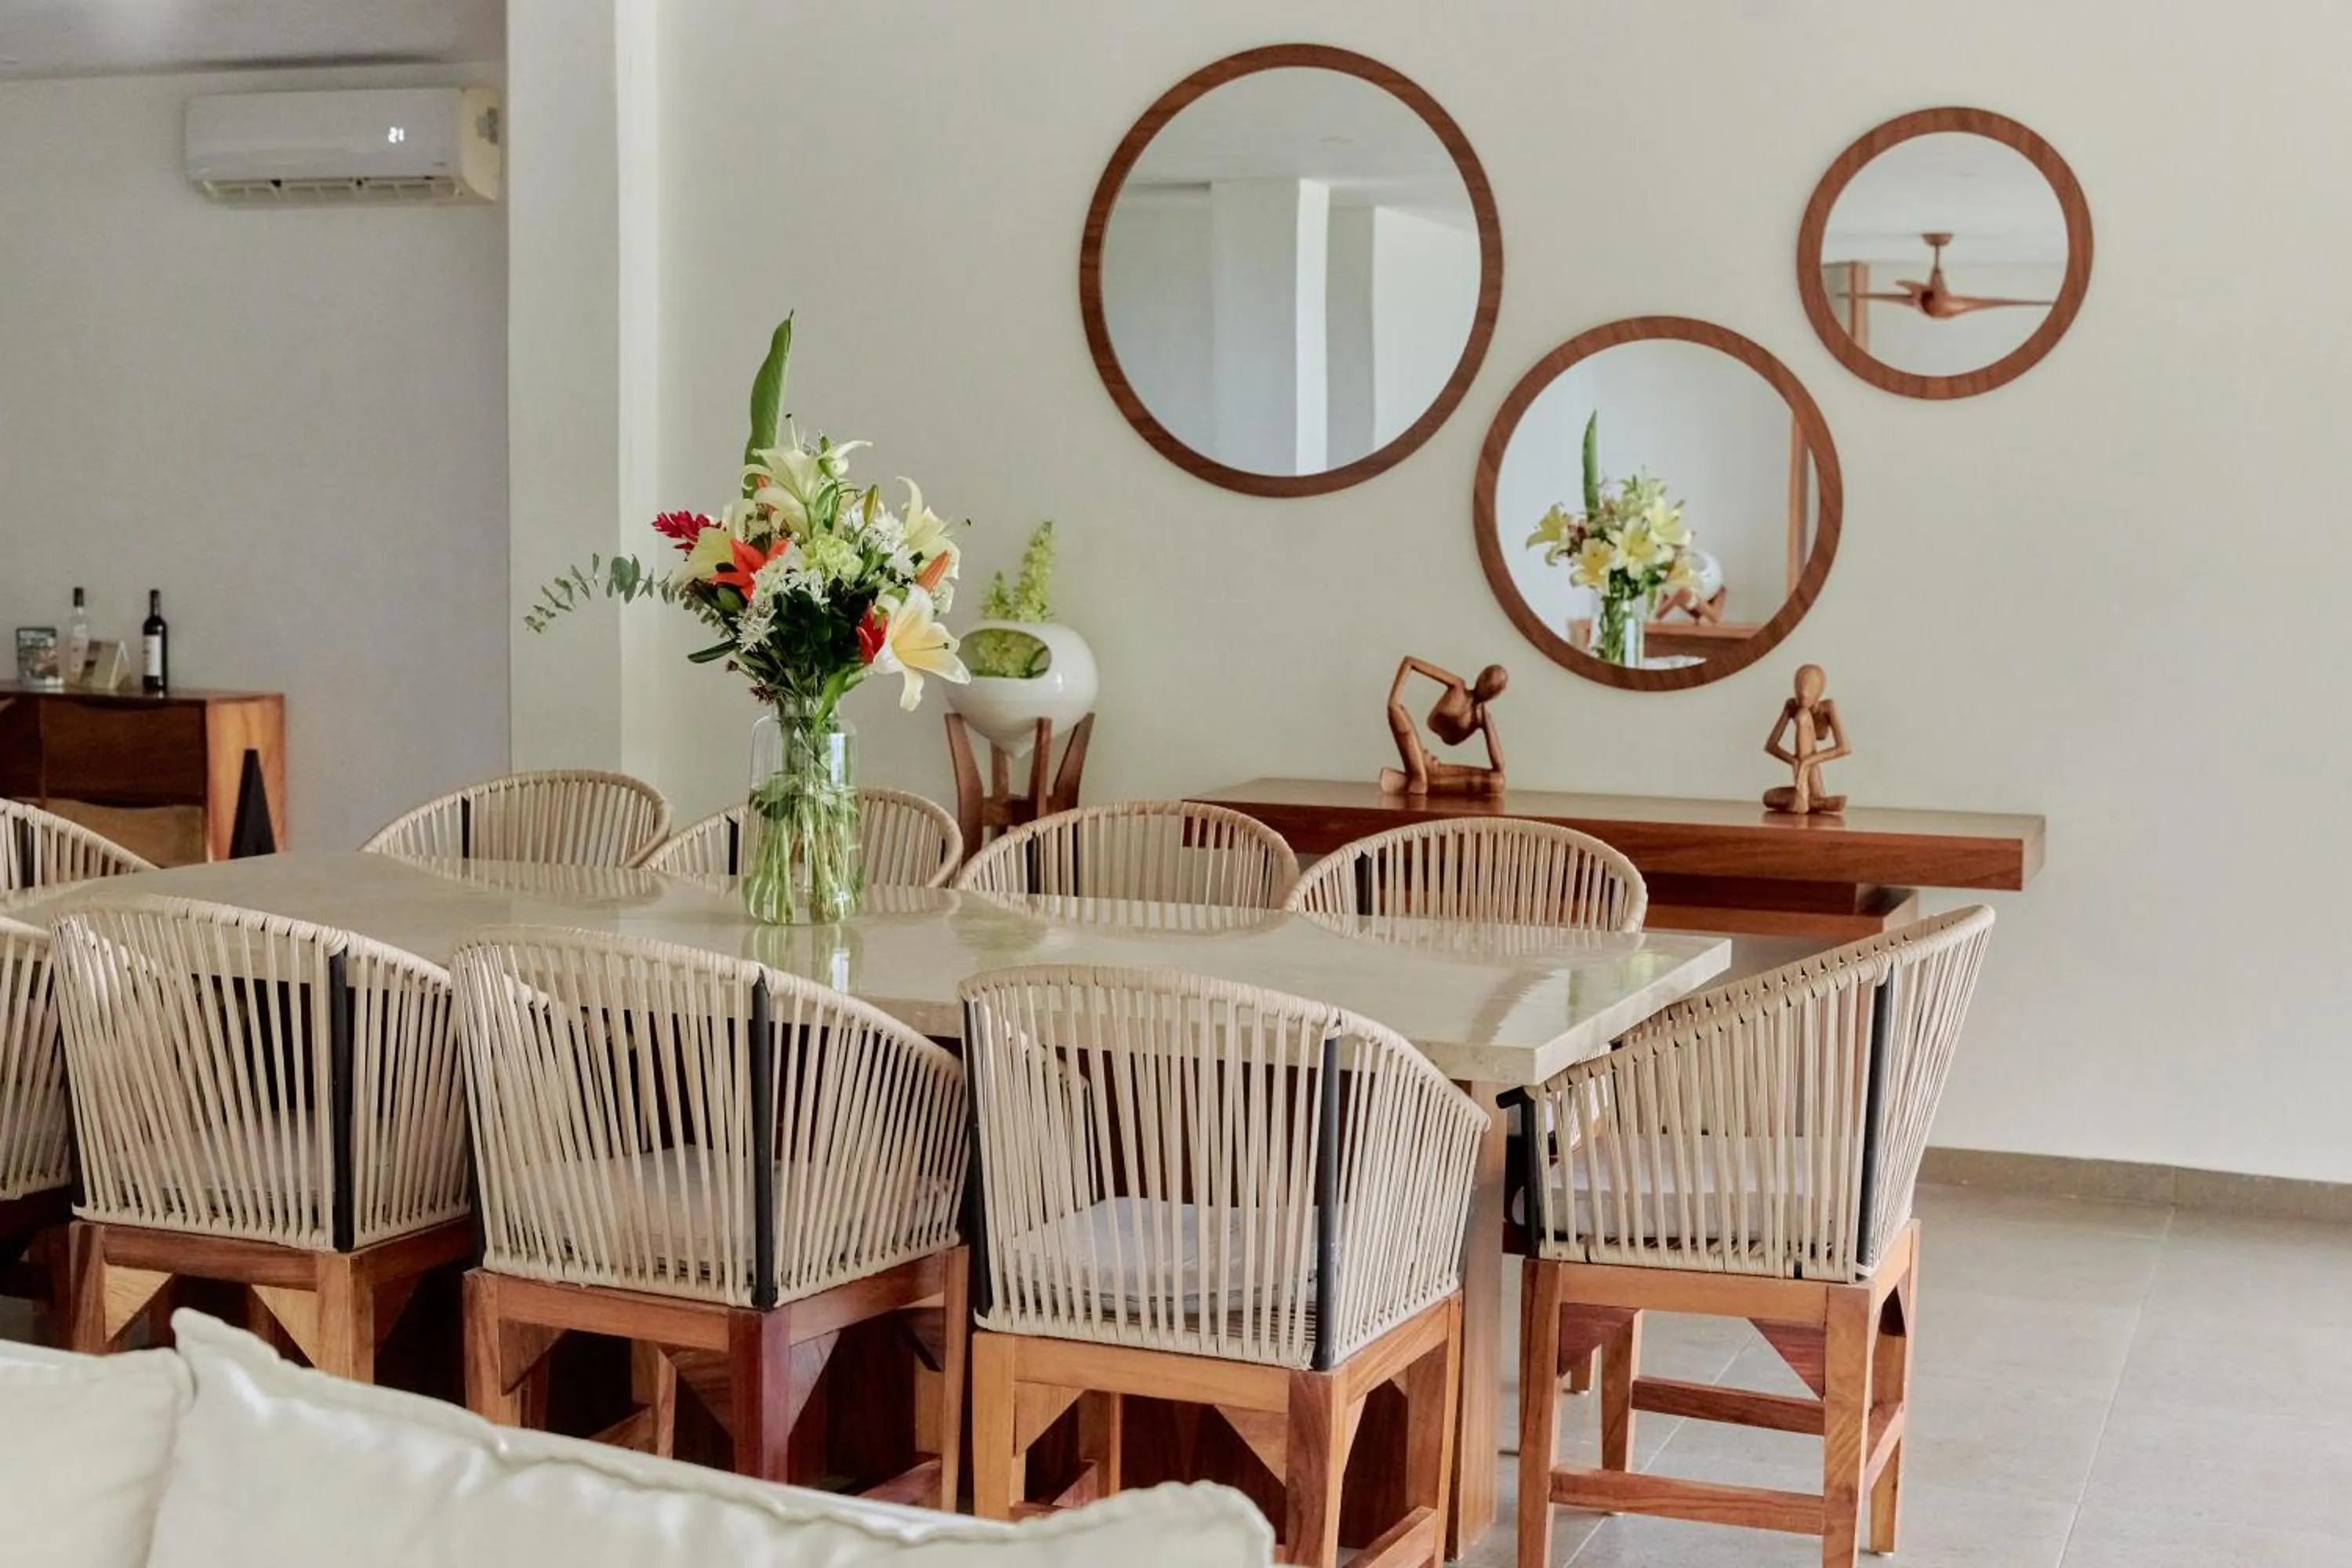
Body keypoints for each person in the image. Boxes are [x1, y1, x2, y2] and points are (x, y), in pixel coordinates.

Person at [1378, 656, 1508, 797]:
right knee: (1396, 709)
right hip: (1417, 750)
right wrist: (1394, 697)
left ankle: (1416, 781)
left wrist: (1488, 725)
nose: (1488, 686)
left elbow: (1499, 766)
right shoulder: (1458, 686)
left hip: (1436, 769)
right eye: (1487, 676)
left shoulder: (1481, 718)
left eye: (1495, 688)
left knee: (1498, 782)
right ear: (1480, 675)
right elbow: (1410, 662)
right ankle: (1419, 778)